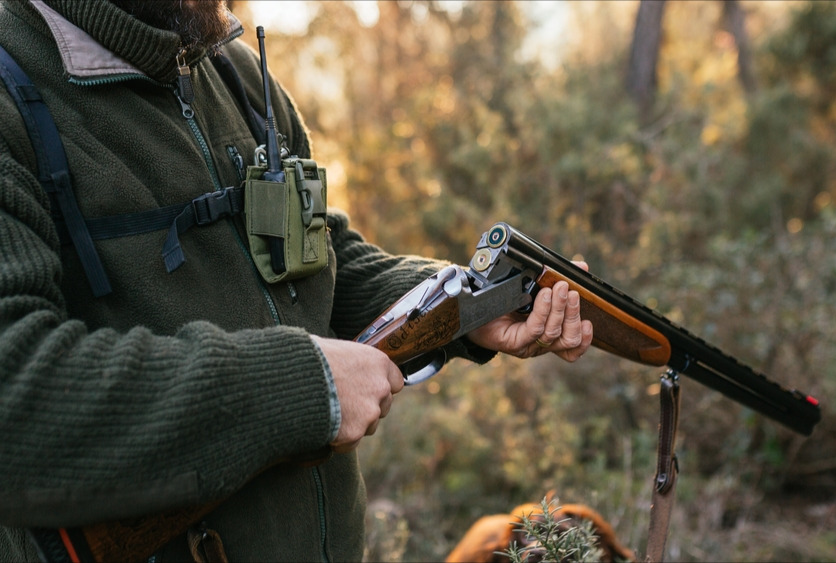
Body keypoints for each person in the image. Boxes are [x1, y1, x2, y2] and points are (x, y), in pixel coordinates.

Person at [0, 0, 593, 560]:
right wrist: (300, 387)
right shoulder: (10, 85)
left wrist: (465, 300)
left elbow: (320, 260)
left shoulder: (230, 68)